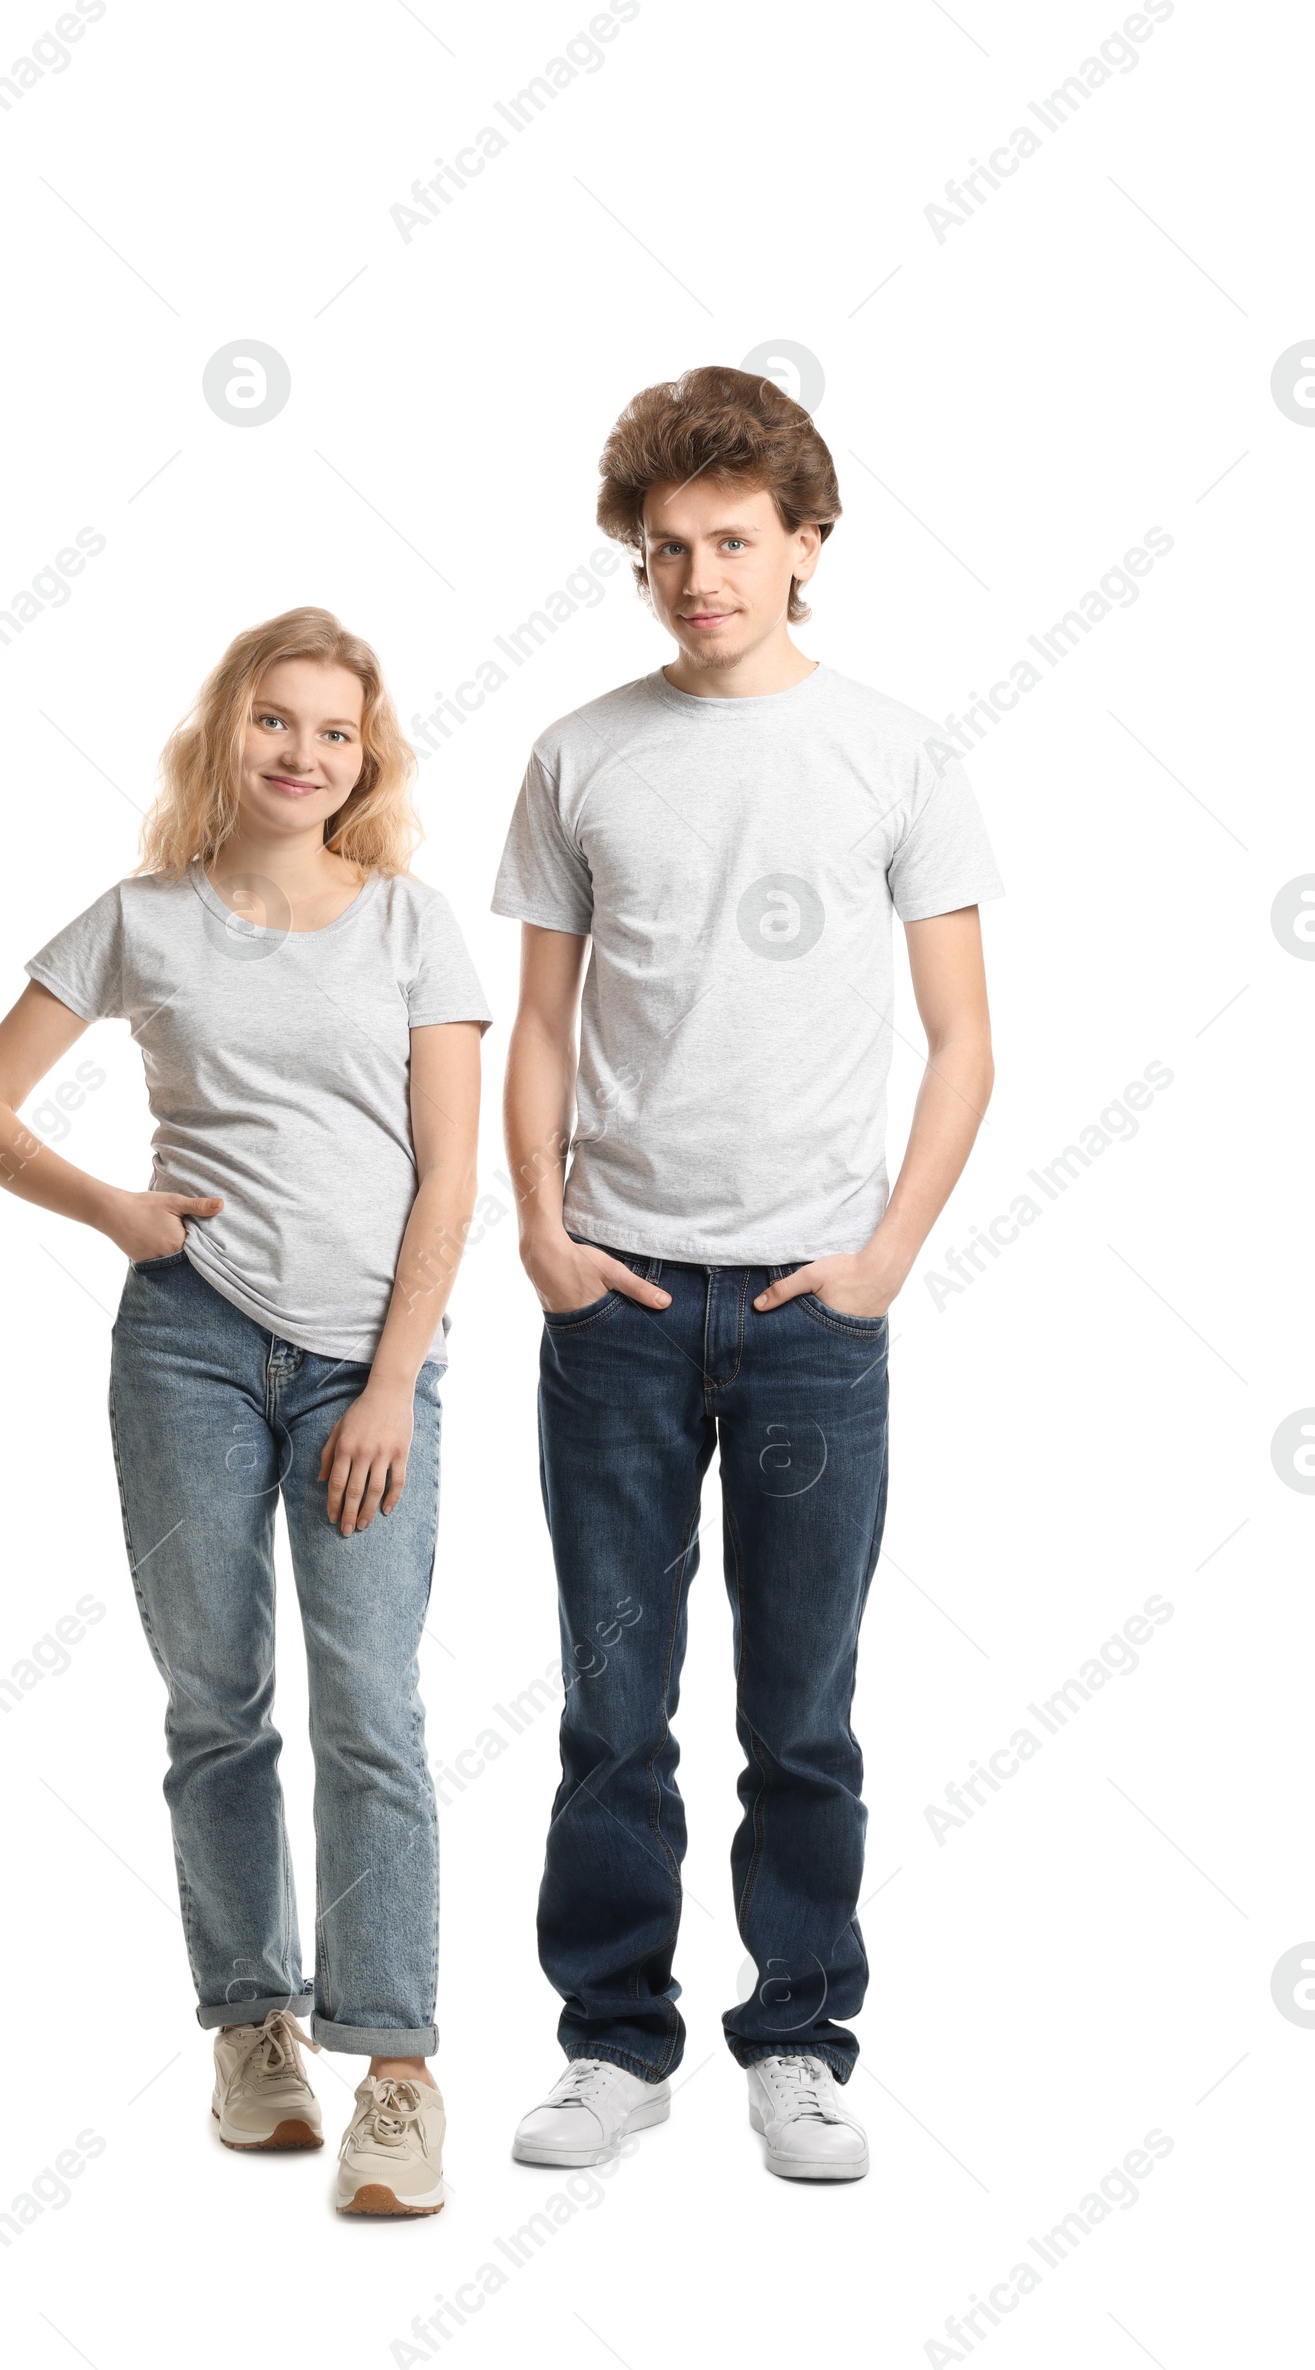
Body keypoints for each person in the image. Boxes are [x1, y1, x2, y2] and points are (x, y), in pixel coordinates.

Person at [494, 366, 1002, 2182]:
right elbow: (538, 1026)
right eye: (662, 550)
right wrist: (545, 1236)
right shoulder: (579, 751)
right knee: (609, 1705)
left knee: (803, 1705)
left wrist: (880, 1260)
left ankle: (799, 2036)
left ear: (805, 545)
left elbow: (962, 1040)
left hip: (810, 1311)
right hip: (617, 1299)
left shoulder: (894, 749)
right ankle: (614, 2043)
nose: (694, 576)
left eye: (729, 541)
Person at [0, 607, 489, 2216]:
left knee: (371, 1704)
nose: (303, 753)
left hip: (361, 1364)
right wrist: (116, 1208)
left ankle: (395, 2065)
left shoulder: (411, 924)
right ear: (226, 734)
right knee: (216, 1698)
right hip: (184, 1346)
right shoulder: (144, 917)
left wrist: (392, 1376)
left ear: (364, 755)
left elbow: (450, 1170)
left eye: (334, 731)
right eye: (276, 721)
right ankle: (253, 2024)